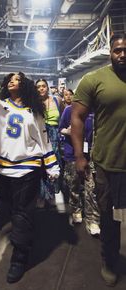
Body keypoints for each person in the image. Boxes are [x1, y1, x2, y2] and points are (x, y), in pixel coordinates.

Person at [0, 64, 60, 283]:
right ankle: (24, 236)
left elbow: (44, 139)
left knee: (21, 214)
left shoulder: (34, 111)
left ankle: (19, 257)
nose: (12, 80)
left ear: (25, 85)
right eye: (10, 78)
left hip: (27, 169)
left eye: (18, 78)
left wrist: (51, 165)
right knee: (11, 210)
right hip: (2, 168)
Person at [71, 33, 126, 287]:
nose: (122, 54)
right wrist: (80, 156)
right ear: (110, 52)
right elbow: (77, 118)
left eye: (125, 49)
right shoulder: (94, 79)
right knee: (109, 218)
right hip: (108, 163)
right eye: (117, 50)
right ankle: (110, 260)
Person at [59, 105, 100, 235]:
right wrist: (70, 131)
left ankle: (92, 219)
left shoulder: (95, 110)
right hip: (72, 154)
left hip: (91, 155)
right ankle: (76, 209)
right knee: (73, 184)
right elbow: (61, 129)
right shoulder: (69, 110)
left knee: (92, 188)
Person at [36, 79, 64, 207]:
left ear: (47, 88)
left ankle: (51, 193)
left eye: (43, 86)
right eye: (38, 87)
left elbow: (64, 118)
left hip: (54, 136)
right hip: (40, 136)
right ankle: (42, 194)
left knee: (54, 164)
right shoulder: (33, 102)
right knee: (41, 165)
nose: (41, 89)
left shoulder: (57, 100)